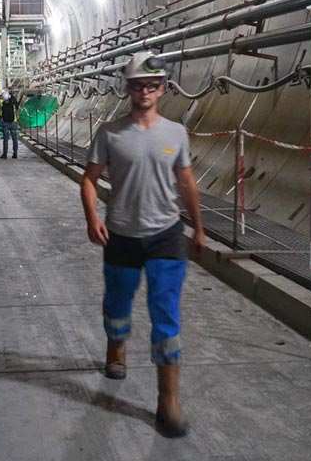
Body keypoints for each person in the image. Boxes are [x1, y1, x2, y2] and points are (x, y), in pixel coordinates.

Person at [79, 51, 205, 439]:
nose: (145, 91)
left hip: (165, 233)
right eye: (138, 85)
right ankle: (116, 346)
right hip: (121, 233)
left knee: (165, 312)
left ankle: (168, 400)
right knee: (118, 302)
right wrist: (92, 218)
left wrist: (198, 228)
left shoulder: (175, 133)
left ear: (162, 89)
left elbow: (186, 182)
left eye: (152, 86)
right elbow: (89, 179)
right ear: (128, 89)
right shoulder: (110, 132)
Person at [0, 90, 20, 159]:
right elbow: (17, 108)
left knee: (5, 139)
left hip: (5, 123)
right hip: (13, 122)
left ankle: (5, 154)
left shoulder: (3, 104)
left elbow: (1, 113)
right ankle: (15, 153)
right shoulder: (13, 102)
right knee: (14, 139)